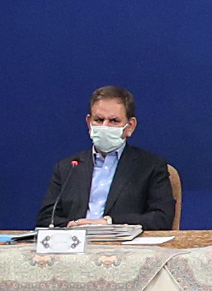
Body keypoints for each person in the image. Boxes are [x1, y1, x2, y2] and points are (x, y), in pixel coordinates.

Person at [36, 87, 178, 231]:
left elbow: (161, 219)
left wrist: (109, 223)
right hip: (76, 241)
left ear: (130, 126)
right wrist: (72, 226)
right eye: (99, 120)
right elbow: (46, 219)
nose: (105, 126)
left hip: (122, 243)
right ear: (89, 123)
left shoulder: (150, 166)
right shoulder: (68, 167)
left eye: (114, 121)